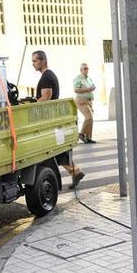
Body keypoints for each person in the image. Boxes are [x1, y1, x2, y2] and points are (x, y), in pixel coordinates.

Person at [32, 50, 85, 189]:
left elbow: (46, 97)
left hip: (49, 119)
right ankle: (76, 172)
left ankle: (76, 172)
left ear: (43, 61)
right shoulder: (49, 75)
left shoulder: (46, 77)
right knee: (57, 152)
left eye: (35, 61)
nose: (33, 64)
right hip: (51, 119)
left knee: (53, 152)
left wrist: (32, 104)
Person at [73, 63, 96, 143]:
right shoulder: (78, 79)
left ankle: (88, 137)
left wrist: (92, 88)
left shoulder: (88, 78)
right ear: (81, 70)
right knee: (89, 117)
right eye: (84, 68)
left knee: (91, 119)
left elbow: (92, 86)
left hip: (89, 101)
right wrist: (88, 89)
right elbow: (76, 90)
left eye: (87, 68)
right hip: (81, 100)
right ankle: (82, 134)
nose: (86, 70)